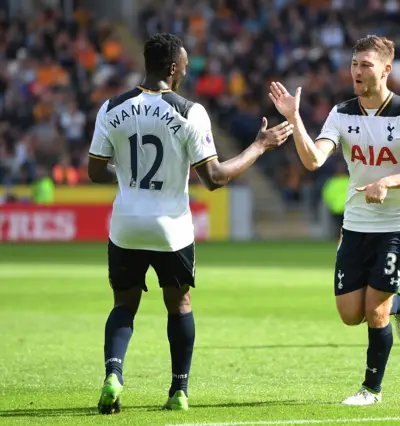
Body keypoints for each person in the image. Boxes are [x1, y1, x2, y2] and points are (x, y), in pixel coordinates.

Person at [87, 33, 293, 414]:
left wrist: (128, 175)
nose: (185, 70)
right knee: (179, 304)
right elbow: (213, 178)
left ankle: (113, 375)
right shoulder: (189, 111)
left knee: (123, 305)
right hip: (171, 227)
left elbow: (95, 171)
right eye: (183, 65)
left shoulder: (111, 108)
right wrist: (260, 146)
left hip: (127, 224)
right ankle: (178, 391)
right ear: (171, 67)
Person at [269, 35, 400, 405]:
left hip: (396, 225)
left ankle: (371, 390)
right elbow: (314, 160)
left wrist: (389, 181)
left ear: (385, 70)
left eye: (365, 65)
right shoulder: (341, 112)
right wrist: (295, 118)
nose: (357, 72)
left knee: (375, 310)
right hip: (356, 224)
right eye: (354, 64)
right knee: (351, 314)